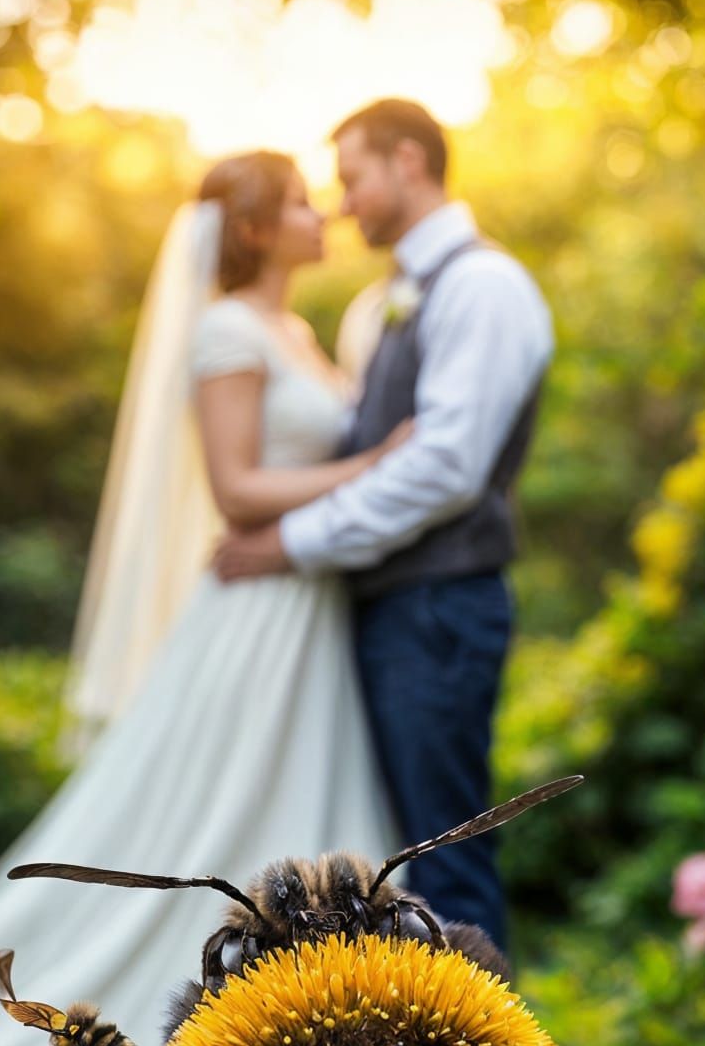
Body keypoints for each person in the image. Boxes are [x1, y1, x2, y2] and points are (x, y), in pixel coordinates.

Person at [0, 152, 400, 1046]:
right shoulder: (228, 330)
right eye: (303, 204)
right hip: (257, 606)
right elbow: (237, 489)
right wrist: (377, 464)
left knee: (298, 787)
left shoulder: (296, 329)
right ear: (259, 230)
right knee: (233, 799)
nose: (324, 217)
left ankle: (322, 992)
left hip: (308, 602)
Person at [215, 99, 554, 952]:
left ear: (409, 161)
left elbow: (445, 469)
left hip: (440, 606)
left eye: (353, 177)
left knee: (448, 848)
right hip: (380, 609)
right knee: (400, 849)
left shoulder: (484, 286)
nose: (340, 202)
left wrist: (289, 543)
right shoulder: (378, 306)